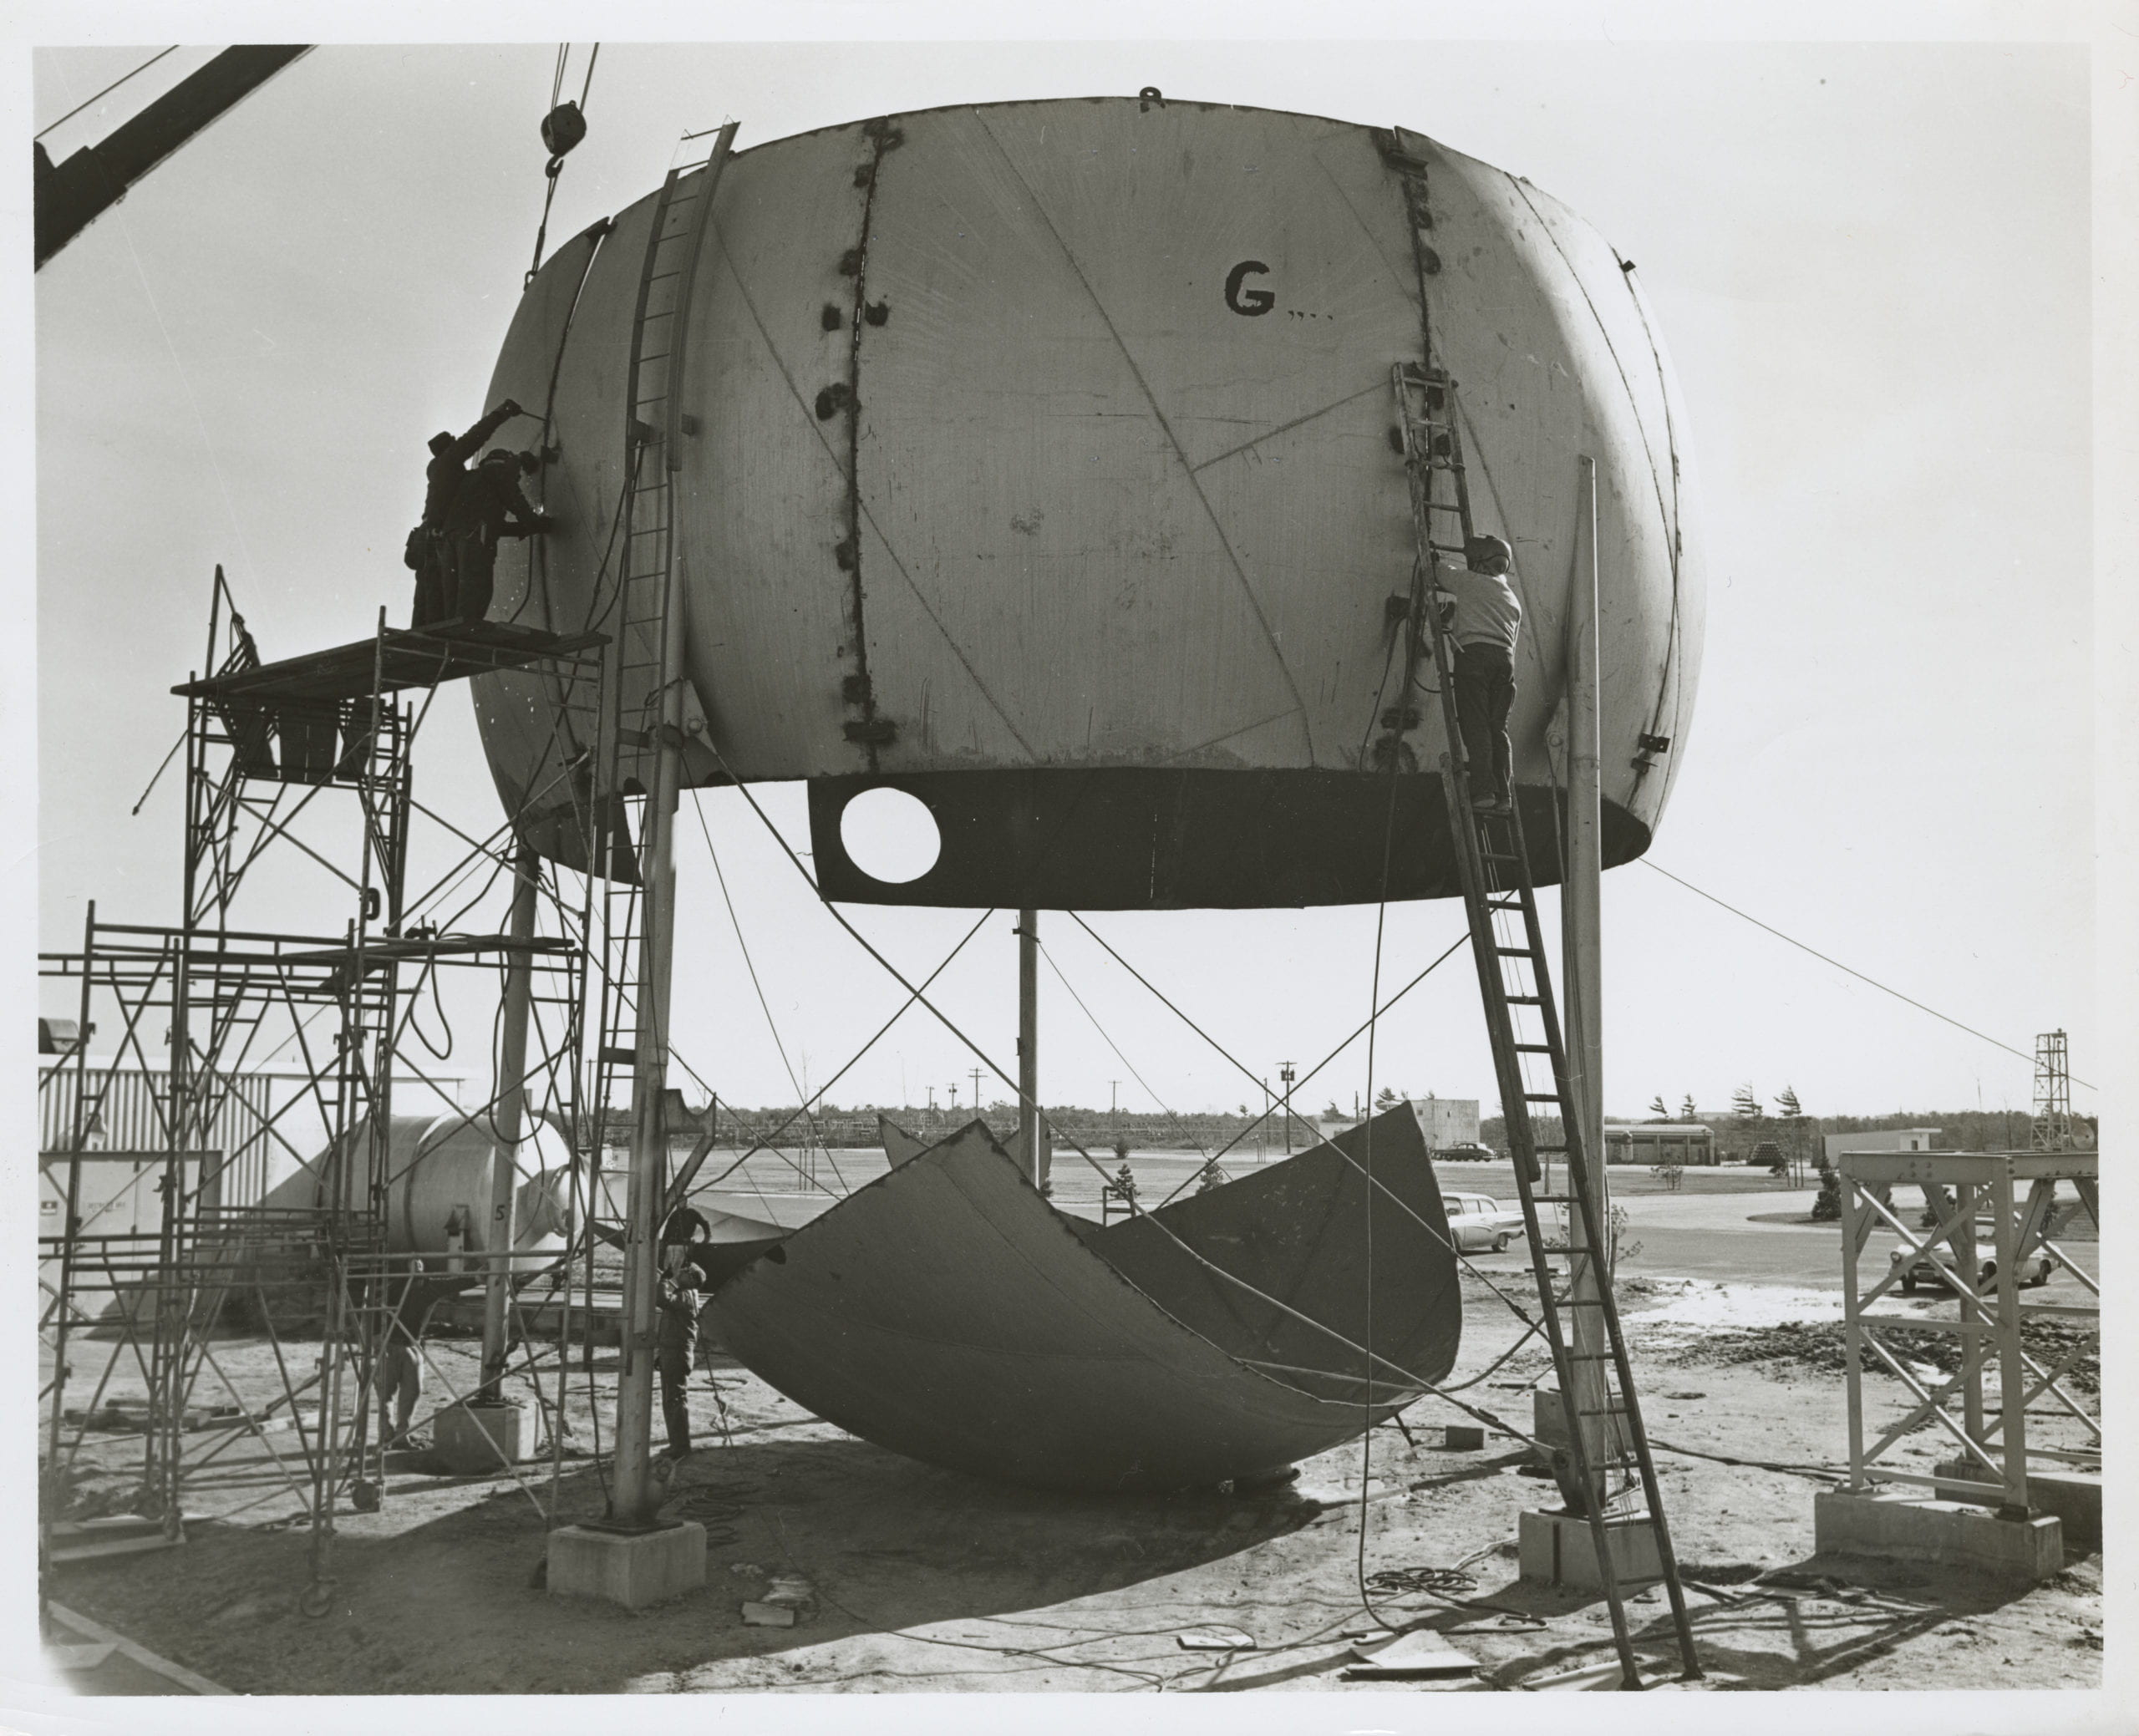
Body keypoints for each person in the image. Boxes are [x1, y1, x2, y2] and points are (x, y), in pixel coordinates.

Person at [411, 399, 522, 628]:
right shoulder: (449, 463)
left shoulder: (445, 477)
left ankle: (435, 651)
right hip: (437, 541)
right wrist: (502, 413)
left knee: (434, 609)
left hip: (433, 540)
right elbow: (475, 437)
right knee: (462, 595)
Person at [1435, 534, 1522, 815]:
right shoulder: (1512, 600)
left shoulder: (1471, 583)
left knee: (1476, 724)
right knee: (1498, 729)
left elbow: (1441, 574)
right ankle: (1505, 794)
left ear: (1481, 564)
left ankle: (1484, 792)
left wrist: (1436, 559)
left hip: (1474, 657)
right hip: (1505, 661)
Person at [442, 446, 557, 627]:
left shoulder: (472, 477)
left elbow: (491, 523)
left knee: (455, 595)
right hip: (473, 537)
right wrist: (536, 523)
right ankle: (465, 633)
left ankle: (453, 634)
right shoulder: (498, 471)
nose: (517, 478)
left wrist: (523, 528)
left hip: (450, 539)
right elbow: (515, 501)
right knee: (477, 588)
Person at [655, 1207, 714, 1461]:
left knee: (675, 1400)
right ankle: (677, 1443)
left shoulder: (686, 1296)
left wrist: (665, 1280)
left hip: (677, 1352)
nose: (679, 1272)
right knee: (672, 1399)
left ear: (690, 1279)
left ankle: (680, 1446)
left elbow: (662, 1300)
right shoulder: (686, 1295)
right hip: (673, 1350)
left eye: (683, 1273)